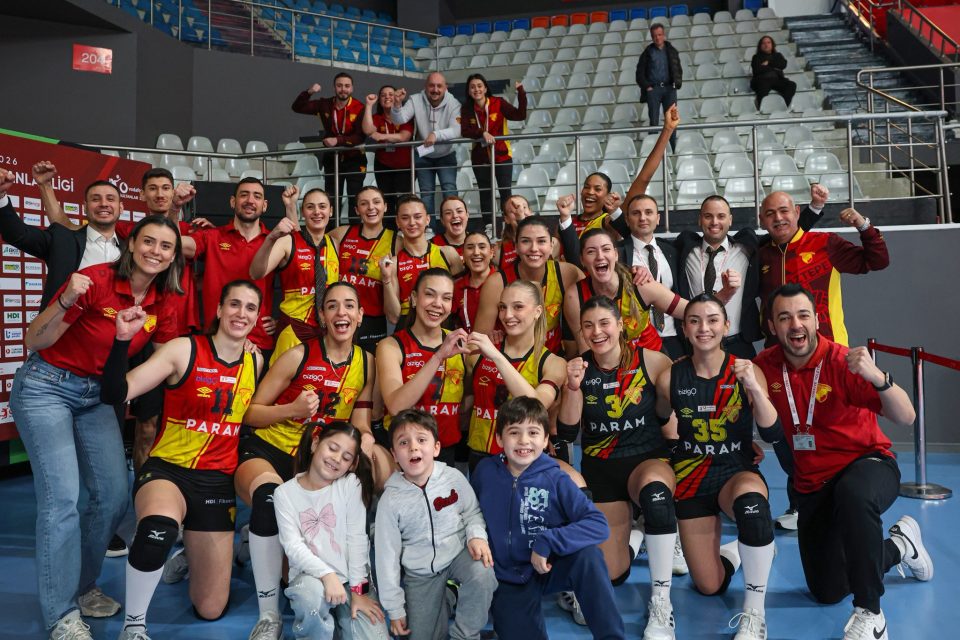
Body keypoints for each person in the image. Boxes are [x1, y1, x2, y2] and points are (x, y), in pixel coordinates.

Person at [9, 213, 182, 639]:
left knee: (114, 496)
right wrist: (66, 299)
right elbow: (35, 340)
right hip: (46, 386)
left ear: (173, 256)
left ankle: (83, 587)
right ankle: (62, 615)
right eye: (148, 241)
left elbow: (165, 361)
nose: (156, 251)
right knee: (63, 500)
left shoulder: (167, 299)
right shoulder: (97, 280)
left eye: (166, 246)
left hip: (97, 396)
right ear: (132, 243)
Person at [753, 284, 932, 640]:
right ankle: (900, 545)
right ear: (772, 326)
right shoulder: (764, 367)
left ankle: (871, 613)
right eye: (784, 318)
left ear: (816, 320)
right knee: (828, 589)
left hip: (868, 464)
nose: (795, 324)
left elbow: (907, 416)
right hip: (813, 485)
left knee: (854, 494)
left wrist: (877, 378)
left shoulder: (842, 361)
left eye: (803, 315)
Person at [99, 279, 264, 640]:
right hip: (169, 471)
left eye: (250, 308)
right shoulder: (183, 349)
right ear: (219, 309)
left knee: (210, 608)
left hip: (216, 482)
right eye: (234, 304)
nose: (241, 313)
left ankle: (190, 553)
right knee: (157, 529)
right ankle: (133, 626)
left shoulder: (256, 360)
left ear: (257, 317)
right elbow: (116, 391)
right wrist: (122, 341)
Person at [230, 283, 389, 640]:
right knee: (268, 498)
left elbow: (360, 418)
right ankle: (269, 614)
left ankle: (366, 574)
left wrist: (365, 436)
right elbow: (250, 413)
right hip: (271, 449)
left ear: (360, 315)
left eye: (349, 305)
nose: (341, 312)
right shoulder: (298, 355)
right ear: (322, 316)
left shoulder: (367, 362)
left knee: (379, 464)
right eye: (332, 306)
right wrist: (292, 409)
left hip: (319, 459)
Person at [654, 294, 781, 640]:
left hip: (735, 473)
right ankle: (742, 551)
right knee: (709, 586)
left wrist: (754, 388)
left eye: (712, 320)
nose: (704, 328)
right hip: (691, 478)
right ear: (684, 328)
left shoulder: (746, 369)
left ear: (726, 326)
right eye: (694, 320)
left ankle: (754, 613)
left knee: (753, 508)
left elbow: (772, 432)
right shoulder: (670, 377)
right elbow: (661, 421)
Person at [557, 295, 680, 639]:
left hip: (647, 462)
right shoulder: (578, 367)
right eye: (588, 326)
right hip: (602, 471)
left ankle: (661, 602)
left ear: (621, 325)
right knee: (613, 574)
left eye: (604, 323)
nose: (597, 332)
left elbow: (674, 417)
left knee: (656, 497)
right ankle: (636, 535)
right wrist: (572, 387)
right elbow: (567, 431)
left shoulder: (652, 361)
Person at [471, 397, 626, 640]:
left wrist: (549, 540)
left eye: (533, 432)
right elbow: (471, 512)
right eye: (514, 432)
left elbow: (598, 524)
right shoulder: (485, 472)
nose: (524, 440)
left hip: (549, 565)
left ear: (545, 440)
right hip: (508, 576)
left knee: (589, 557)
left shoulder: (556, 478)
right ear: (499, 438)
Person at [374, 409, 498, 640]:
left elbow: (472, 512)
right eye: (404, 443)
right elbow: (386, 556)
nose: (413, 448)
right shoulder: (390, 500)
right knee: (419, 635)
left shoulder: (453, 478)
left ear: (436, 448)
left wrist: (476, 536)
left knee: (483, 572)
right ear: (394, 454)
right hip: (421, 573)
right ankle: (448, 596)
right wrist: (395, 608)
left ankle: (465, 635)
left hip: (457, 554)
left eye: (422, 440)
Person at [274, 423, 388, 640]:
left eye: (346, 457)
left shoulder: (350, 484)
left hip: (352, 578)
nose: (336, 459)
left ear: (352, 465)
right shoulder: (284, 493)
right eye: (332, 448)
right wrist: (326, 574)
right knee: (310, 599)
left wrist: (359, 591)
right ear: (315, 443)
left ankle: (338, 624)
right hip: (311, 577)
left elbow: (357, 540)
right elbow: (293, 547)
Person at [757, 192, 889, 347]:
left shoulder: (826, 243)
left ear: (797, 212)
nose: (778, 218)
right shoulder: (760, 255)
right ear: (762, 220)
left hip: (828, 349)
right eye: (770, 214)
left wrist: (864, 226)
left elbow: (878, 261)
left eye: (784, 211)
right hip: (777, 351)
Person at [465, 280, 566, 471]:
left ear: (537, 311)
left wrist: (497, 356)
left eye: (518, 307)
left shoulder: (553, 363)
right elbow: (463, 398)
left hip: (524, 457)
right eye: (503, 307)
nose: (507, 315)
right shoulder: (477, 353)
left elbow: (537, 404)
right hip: (480, 455)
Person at [562, 227, 701, 357]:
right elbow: (586, 349)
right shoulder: (575, 296)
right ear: (582, 260)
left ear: (616, 254)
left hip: (650, 361)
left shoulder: (640, 283)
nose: (600, 256)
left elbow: (693, 311)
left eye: (606, 249)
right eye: (591, 252)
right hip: (607, 366)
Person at [377, 269, 467, 464]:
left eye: (446, 298)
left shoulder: (460, 342)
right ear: (414, 298)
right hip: (404, 453)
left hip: (446, 452)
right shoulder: (391, 346)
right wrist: (438, 356)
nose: (438, 304)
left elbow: (469, 398)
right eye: (430, 294)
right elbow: (396, 406)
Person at [180, 177, 278, 352]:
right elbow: (176, 244)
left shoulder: (275, 242)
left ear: (264, 205)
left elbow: (299, 279)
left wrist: (282, 321)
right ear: (233, 202)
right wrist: (174, 207)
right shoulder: (212, 236)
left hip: (258, 343)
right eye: (244, 195)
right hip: (215, 339)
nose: (250, 200)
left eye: (257, 196)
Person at [248, 186, 340, 362]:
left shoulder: (334, 244)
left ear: (331, 211)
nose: (317, 212)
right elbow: (255, 273)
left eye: (322, 206)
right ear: (303, 212)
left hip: (326, 331)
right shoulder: (287, 242)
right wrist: (271, 238)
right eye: (310, 207)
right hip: (294, 329)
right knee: (285, 379)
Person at [474, 216, 583, 353]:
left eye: (541, 241)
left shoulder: (568, 274)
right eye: (526, 241)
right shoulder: (497, 282)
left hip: (554, 359)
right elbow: (476, 345)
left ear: (551, 246)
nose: (534, 248)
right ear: (516, 246)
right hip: (510, 361)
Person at [328, 186, 397, 351]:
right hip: (341, 316)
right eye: (364, 204)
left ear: (385, 207)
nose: (371, 207)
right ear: (357, 210)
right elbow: (306, 242)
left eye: (376, 202)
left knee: (370, 366)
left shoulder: (396, 242)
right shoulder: (341, 233)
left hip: (373, 321)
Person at [391, 73, 461, 228]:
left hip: (446, 154)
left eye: (439, 86)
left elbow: (457, 131)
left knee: (450, 192)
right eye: (431, 85)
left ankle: (453, 227)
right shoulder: (415, 99)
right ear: (425, 86)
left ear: (445, 87)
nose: (435, 89)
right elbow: (399, 119)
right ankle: (429, 229)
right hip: (424, 155)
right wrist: (397, 104)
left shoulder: (454, 103)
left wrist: (436, 134)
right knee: (426, 194)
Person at [292, 74, 367, 218]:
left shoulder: (359, 107)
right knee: (331, 199)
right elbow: (297, 107)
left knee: (355, 198)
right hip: (332, 158)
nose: (343, 89)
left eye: (347, 86)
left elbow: (360, 137)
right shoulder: (324, 104)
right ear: (334, 88)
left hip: (355, 159)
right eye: (339, 86)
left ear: (352, 88)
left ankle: (354, 230)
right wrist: (309, 92)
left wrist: (338, 141)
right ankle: (331, 230)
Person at [381, 194, 462, 324]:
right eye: (405, 218)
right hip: (408, 326)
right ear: (397, 222)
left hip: (443, 324)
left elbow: (460, 302)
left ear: (427, 219)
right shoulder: (394, 264)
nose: (412, 223)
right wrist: (386, 279)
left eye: (418, 217)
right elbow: (393, 317)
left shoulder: (447, 254)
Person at [460, 74, 527, 217]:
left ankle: (508, 223)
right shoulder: (466, 109)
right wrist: (482, 132)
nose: (476, 89)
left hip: (502, 156)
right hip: (480, 158)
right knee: (485, 193)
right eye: (472, 87)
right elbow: (465, 131)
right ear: (469, 91)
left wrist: (521, 93)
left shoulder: (498, 103)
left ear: (485, 88)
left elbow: (520, 115)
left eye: (479, 86)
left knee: (505, 193)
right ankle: (489, 225)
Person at [361, 86, 414, 218]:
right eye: (383, 95)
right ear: (379, 100)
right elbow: (368, 130)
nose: (387, 97)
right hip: (383, 164)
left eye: (391, 94)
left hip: (404, 165)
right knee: (386, 200)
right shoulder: (377, 118)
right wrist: (369, 105)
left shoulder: (405, 116)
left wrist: (381, 136)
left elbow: (404, 137)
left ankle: (404, 228)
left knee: (404, 201)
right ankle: (389, 228)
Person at [636, 22, 682, 150]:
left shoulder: (671, 51)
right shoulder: (647, 52)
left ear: (664, 35)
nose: (657, 38)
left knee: (672, 119)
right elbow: (639, 73)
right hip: (654, 90)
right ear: (652, 37)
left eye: (660, 35)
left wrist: (677, 83)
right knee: (654, 121)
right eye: (655, 35)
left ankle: (672, 149)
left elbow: (678, 69)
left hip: (669, 89)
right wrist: (647, 87)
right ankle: (654, 151)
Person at [494, 194, 560, 266]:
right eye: (512, 211)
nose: (520, 211)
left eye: (524, 207)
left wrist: (521, 219)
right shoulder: (498, 250)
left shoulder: (552, 243)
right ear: (506, 219)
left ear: (530, 212)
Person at [452, 230, 496, 333]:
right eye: (470, 247)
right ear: (463, 254)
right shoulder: (456, 287)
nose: (476, 252)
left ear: (491, 252)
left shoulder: (503, 282)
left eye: (482, 247)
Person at [751, 36, 796, 110]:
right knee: (762, 88)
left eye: (768, 42)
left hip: (777, 79)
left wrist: (768, 63)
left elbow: (783, 64)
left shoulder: (778, 55)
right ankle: (762, 109)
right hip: (762, 80)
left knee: (792, 85)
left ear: (772, 44)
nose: (766, 45)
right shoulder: (756, 57)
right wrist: (774, 67)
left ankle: (782, 107)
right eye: (763, 43)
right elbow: (757, 70)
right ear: (760, 46)